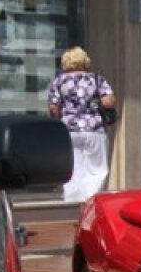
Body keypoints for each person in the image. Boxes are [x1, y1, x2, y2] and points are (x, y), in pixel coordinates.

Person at [47, 45, 116, 203]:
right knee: (97, 170)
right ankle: (90, 202)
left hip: (69, 131)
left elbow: (53, 108)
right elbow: (109, 101)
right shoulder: (96, 79)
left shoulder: (59, 81)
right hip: (94, 130)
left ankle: (72, 203)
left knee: (73, 169)